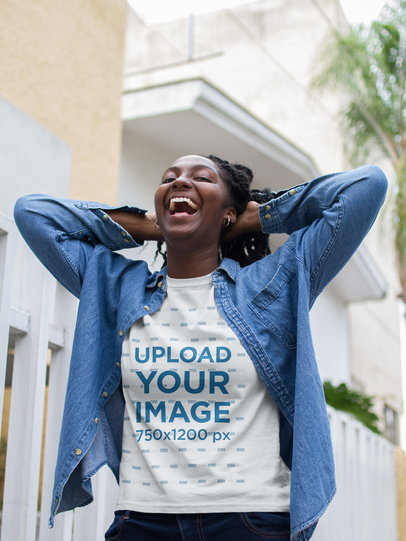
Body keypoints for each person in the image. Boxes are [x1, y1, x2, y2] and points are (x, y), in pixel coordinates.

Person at [13, 155, 387, 541]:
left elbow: (366, 187)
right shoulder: (116, 288)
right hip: (143, 519)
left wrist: (255, 217)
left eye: (201, 178)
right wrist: (149, 226)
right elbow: (34, 214)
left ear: (228, 212)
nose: (180, 182)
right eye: (169, 178)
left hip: (249, 520)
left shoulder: (270, 286)